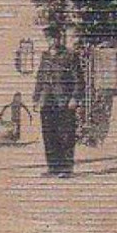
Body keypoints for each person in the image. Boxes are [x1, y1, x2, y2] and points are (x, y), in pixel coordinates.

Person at [33, 24, 83, 177]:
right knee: (49, 133)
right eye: (48, 38)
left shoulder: (69, 55)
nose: (51, 41)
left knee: (66, 134)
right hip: (47, 100)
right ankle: (53, 167)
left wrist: (75, 97)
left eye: (53, 38)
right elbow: (40, 79)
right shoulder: (45, 56)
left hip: (64, 100)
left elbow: (78, 80)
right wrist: (36, 98)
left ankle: (66, 168)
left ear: (59, 39)